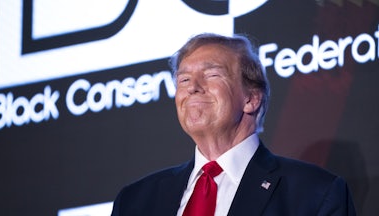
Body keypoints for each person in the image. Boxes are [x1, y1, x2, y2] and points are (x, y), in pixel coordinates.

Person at [111, 33, 356, 216]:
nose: (192, 87)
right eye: (184, 79)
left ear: (251, 98)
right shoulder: (135, 202)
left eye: (212, 75)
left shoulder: (315, 192)